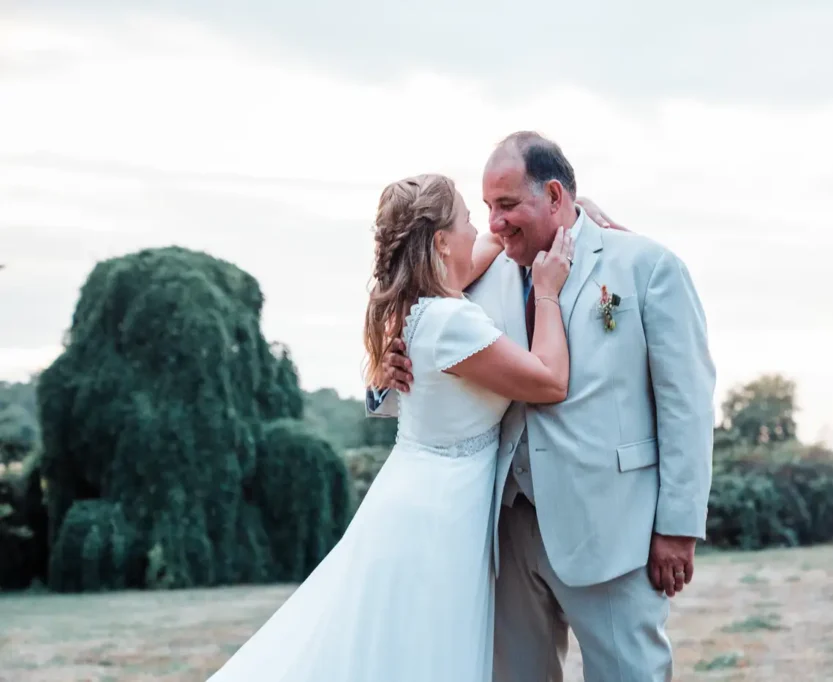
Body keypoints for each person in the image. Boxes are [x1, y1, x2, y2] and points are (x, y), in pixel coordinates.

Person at [368, 132, 716, 681]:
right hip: (505, 532)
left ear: (554, 196)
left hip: (611, 527)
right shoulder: (478, 280)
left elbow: (687, 405)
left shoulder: (645, 267)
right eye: (486, 209)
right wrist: (385, 378)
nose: (495, 223)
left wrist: (678, 527)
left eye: (507, 206)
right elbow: (434, 363)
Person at [208, 172, 582, 681]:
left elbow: (492, 243)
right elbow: (550, 380)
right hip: (437, 517)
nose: (484, 227)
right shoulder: (452, 321)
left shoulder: (416, 308)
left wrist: (578, 212)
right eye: (469, 218)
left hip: (417, 496)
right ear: (443, 241)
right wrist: (547, 293)